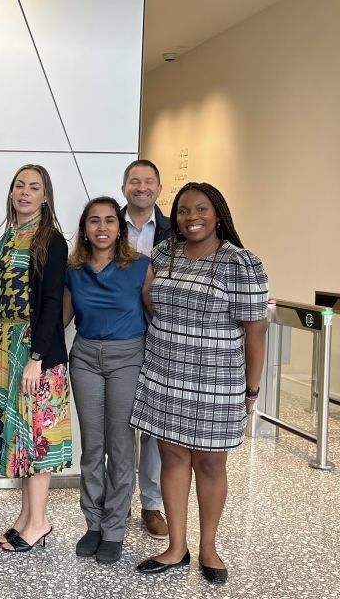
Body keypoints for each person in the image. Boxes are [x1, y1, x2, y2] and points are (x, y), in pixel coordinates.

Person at [132, 182, 268, 584]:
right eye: (184, 211)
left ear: (218, 213)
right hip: (164, 373)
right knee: (172, 458)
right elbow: (148, 299)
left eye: (201, 209)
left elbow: (256, 330)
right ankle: (176, 547)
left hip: (216, 380)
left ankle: (208, 548)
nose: (192, 217)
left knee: (210, 463)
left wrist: (251, 389)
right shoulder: (163, 253)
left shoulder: (240, 262)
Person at [0, 164, 72, 554]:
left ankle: (40, 521)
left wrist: (37, 356)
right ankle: (26, 515)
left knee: (37, 434)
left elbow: (52, 303)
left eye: (33, 187)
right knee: (19, 435)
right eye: (19, 185)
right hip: (8, 345)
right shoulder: (9, 237)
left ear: (46, 196)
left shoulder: (51, 240)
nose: (24, 192)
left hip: (37, 350)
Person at [63, 197, 152, 564]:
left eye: (109, 221)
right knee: (92, 445)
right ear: (84, 228)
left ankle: (115, 528)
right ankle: (94, 524)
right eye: (94, 221)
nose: (102, 228)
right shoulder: (74, 268)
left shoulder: (140, 267)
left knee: (120, 446)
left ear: (120, 227)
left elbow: (155, 315)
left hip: (127, 357)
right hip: (84, 357)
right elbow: (62, 320)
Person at [120, 159, 171, 539]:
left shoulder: (174, 231)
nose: (141, 187)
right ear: (124, 188)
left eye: (148, 181)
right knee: (119, 423)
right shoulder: (103, 223)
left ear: (158, 188)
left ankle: (151, 504)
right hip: (119, 337)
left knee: (153, 427)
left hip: (160, 336)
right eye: (134, 181)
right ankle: (118, 501)